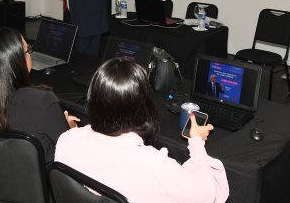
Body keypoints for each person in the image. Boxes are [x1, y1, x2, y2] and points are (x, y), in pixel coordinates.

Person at [55, 58, 229, 203]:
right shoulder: (154, 166)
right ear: (143, 107)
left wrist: (74, 132)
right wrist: (197, 145)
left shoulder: (66, 140)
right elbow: (208, 194)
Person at [0, 27, 78, 164]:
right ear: (18, 62)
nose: (30, 54)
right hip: (38, 181)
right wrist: (71, 130)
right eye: (28, 50)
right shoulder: (42, 102)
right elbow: (69, 150)